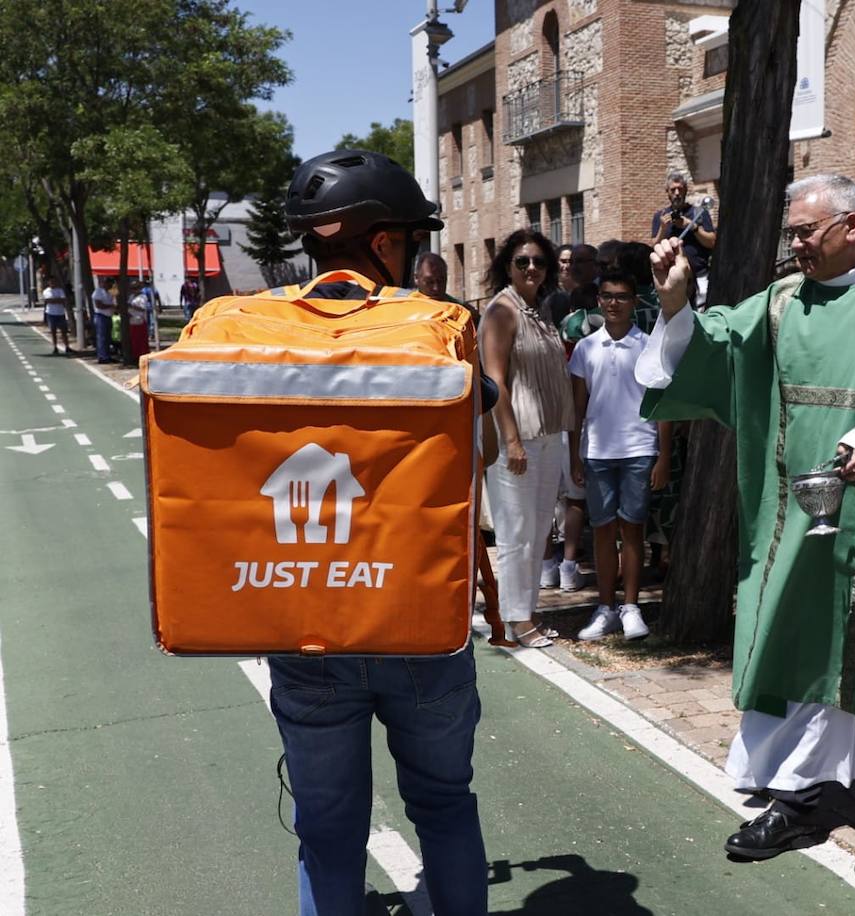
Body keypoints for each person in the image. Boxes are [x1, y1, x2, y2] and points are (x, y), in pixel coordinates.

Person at [636, 174, 855, 880]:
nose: (795, 245)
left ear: (853, 226)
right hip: (804, 515)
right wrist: (675, 299)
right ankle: (794, 797)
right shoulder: (782, 302)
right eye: (792, 232)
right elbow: (719, 342)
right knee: (799, 645)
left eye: (807, 231)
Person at [272, 148, 486, 916]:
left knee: (327, 831)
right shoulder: (438, 326)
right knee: (444, 804)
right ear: (384, 242)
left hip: (303, 617)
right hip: (419, 621)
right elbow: (480, 413)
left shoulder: (259, 329)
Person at [480, 227, 576, 648]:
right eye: (522, 261)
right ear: (508, 266)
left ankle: (529, 610)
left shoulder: (539, 309)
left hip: (549, 435)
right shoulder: (503, 312)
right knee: (516, 531)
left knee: (539, 532)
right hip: (517, 440)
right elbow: (494, 381)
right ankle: (515, 619)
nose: (532, 268)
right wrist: (512, 440)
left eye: (539, 261)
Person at [569, 270, 671, 640]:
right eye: (608, 296)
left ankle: (631, 607)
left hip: (639, 449)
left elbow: (661, 405)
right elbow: (578, 408)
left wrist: (662, 456)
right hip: (596, 452)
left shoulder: (648, 345)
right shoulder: (586, 348)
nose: (614, 303)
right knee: (601, 531)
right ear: (598, 300)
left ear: (634, 302)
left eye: (622, 296)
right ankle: (605, 607)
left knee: (633, 530)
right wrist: (574, 455)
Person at [651, 172, 715, 302]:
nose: (677, 193)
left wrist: (692, 226)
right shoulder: (660, 216)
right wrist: (663, 228)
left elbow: (712, 242)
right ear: (667, 192)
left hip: (699, 276)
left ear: (685, 190)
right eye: (673, 190)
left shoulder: (699, 213)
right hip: (671, 278)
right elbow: (654, 245)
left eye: (680, 189)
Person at [40, 273, 72, 356]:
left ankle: (67, 347)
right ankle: (55, 347)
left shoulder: (60, 290)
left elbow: (62, 300)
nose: (53, 283)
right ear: (48, 283)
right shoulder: (46, 291)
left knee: (64, 331)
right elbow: (48, 301)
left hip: (60, 313)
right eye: (51, 282)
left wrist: (54, 300)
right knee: (53, 331)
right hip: (51, 313)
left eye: (54, 281)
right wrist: (56, 300)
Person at [92, 276, 117, 364]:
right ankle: (102, 356)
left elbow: (116, 299)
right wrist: (111, 306)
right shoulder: (98, 291)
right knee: (101, 337)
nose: (110, 285)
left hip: (109, 316)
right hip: (101, 316)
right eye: (108, 283)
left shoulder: (111, 291)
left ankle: (107, 355)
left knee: (108, 337)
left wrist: (114, 290)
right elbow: (99, 305)